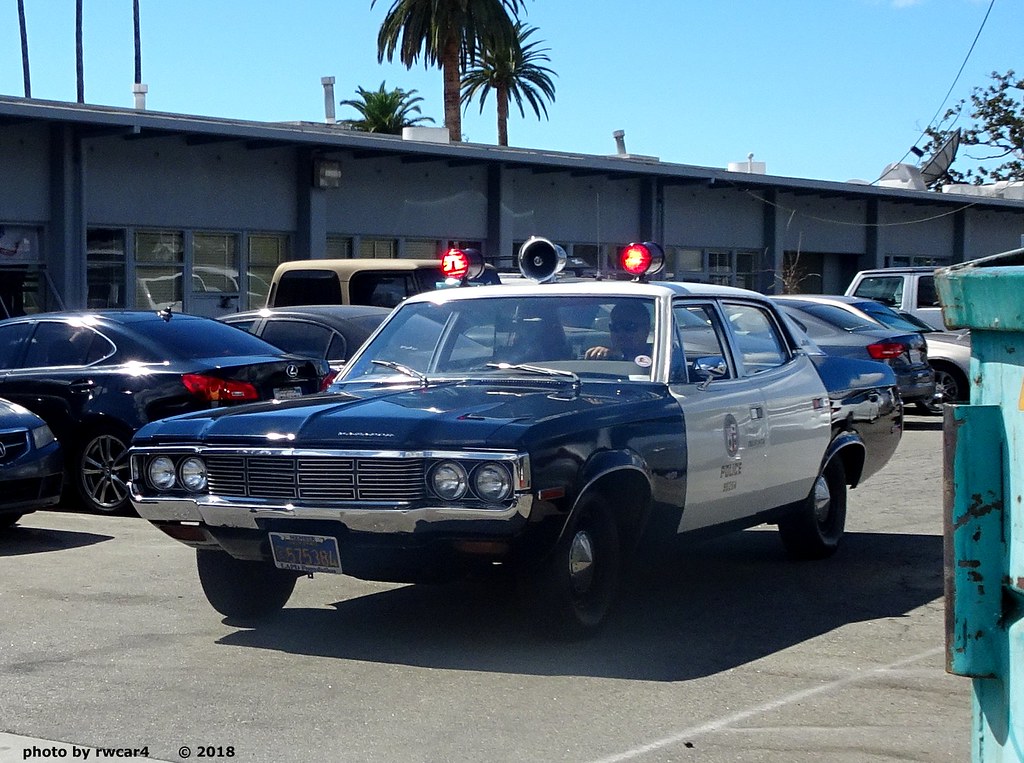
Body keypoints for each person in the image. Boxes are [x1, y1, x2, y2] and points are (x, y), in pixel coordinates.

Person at [585, 302, 652, 361]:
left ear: (646, 330)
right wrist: (600, 355)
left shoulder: (659, 358)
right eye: (615, 327)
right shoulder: (604, 358)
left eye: (629, 326)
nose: (621, 332)